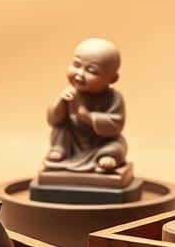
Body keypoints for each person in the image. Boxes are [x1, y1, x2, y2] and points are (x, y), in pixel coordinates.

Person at [43, 38, 127, 173]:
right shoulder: (70, 94)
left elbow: (116, 125)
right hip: (71, 143)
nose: (79, 74)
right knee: (62, 127)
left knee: (117, 147)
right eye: (76, 65)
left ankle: (106, 156)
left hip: (101, 143)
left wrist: (88, 117)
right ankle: (60, 149)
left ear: (112, 79)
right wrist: (60, 103)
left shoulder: (114, 97)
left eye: (92, 71)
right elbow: (53, 120)